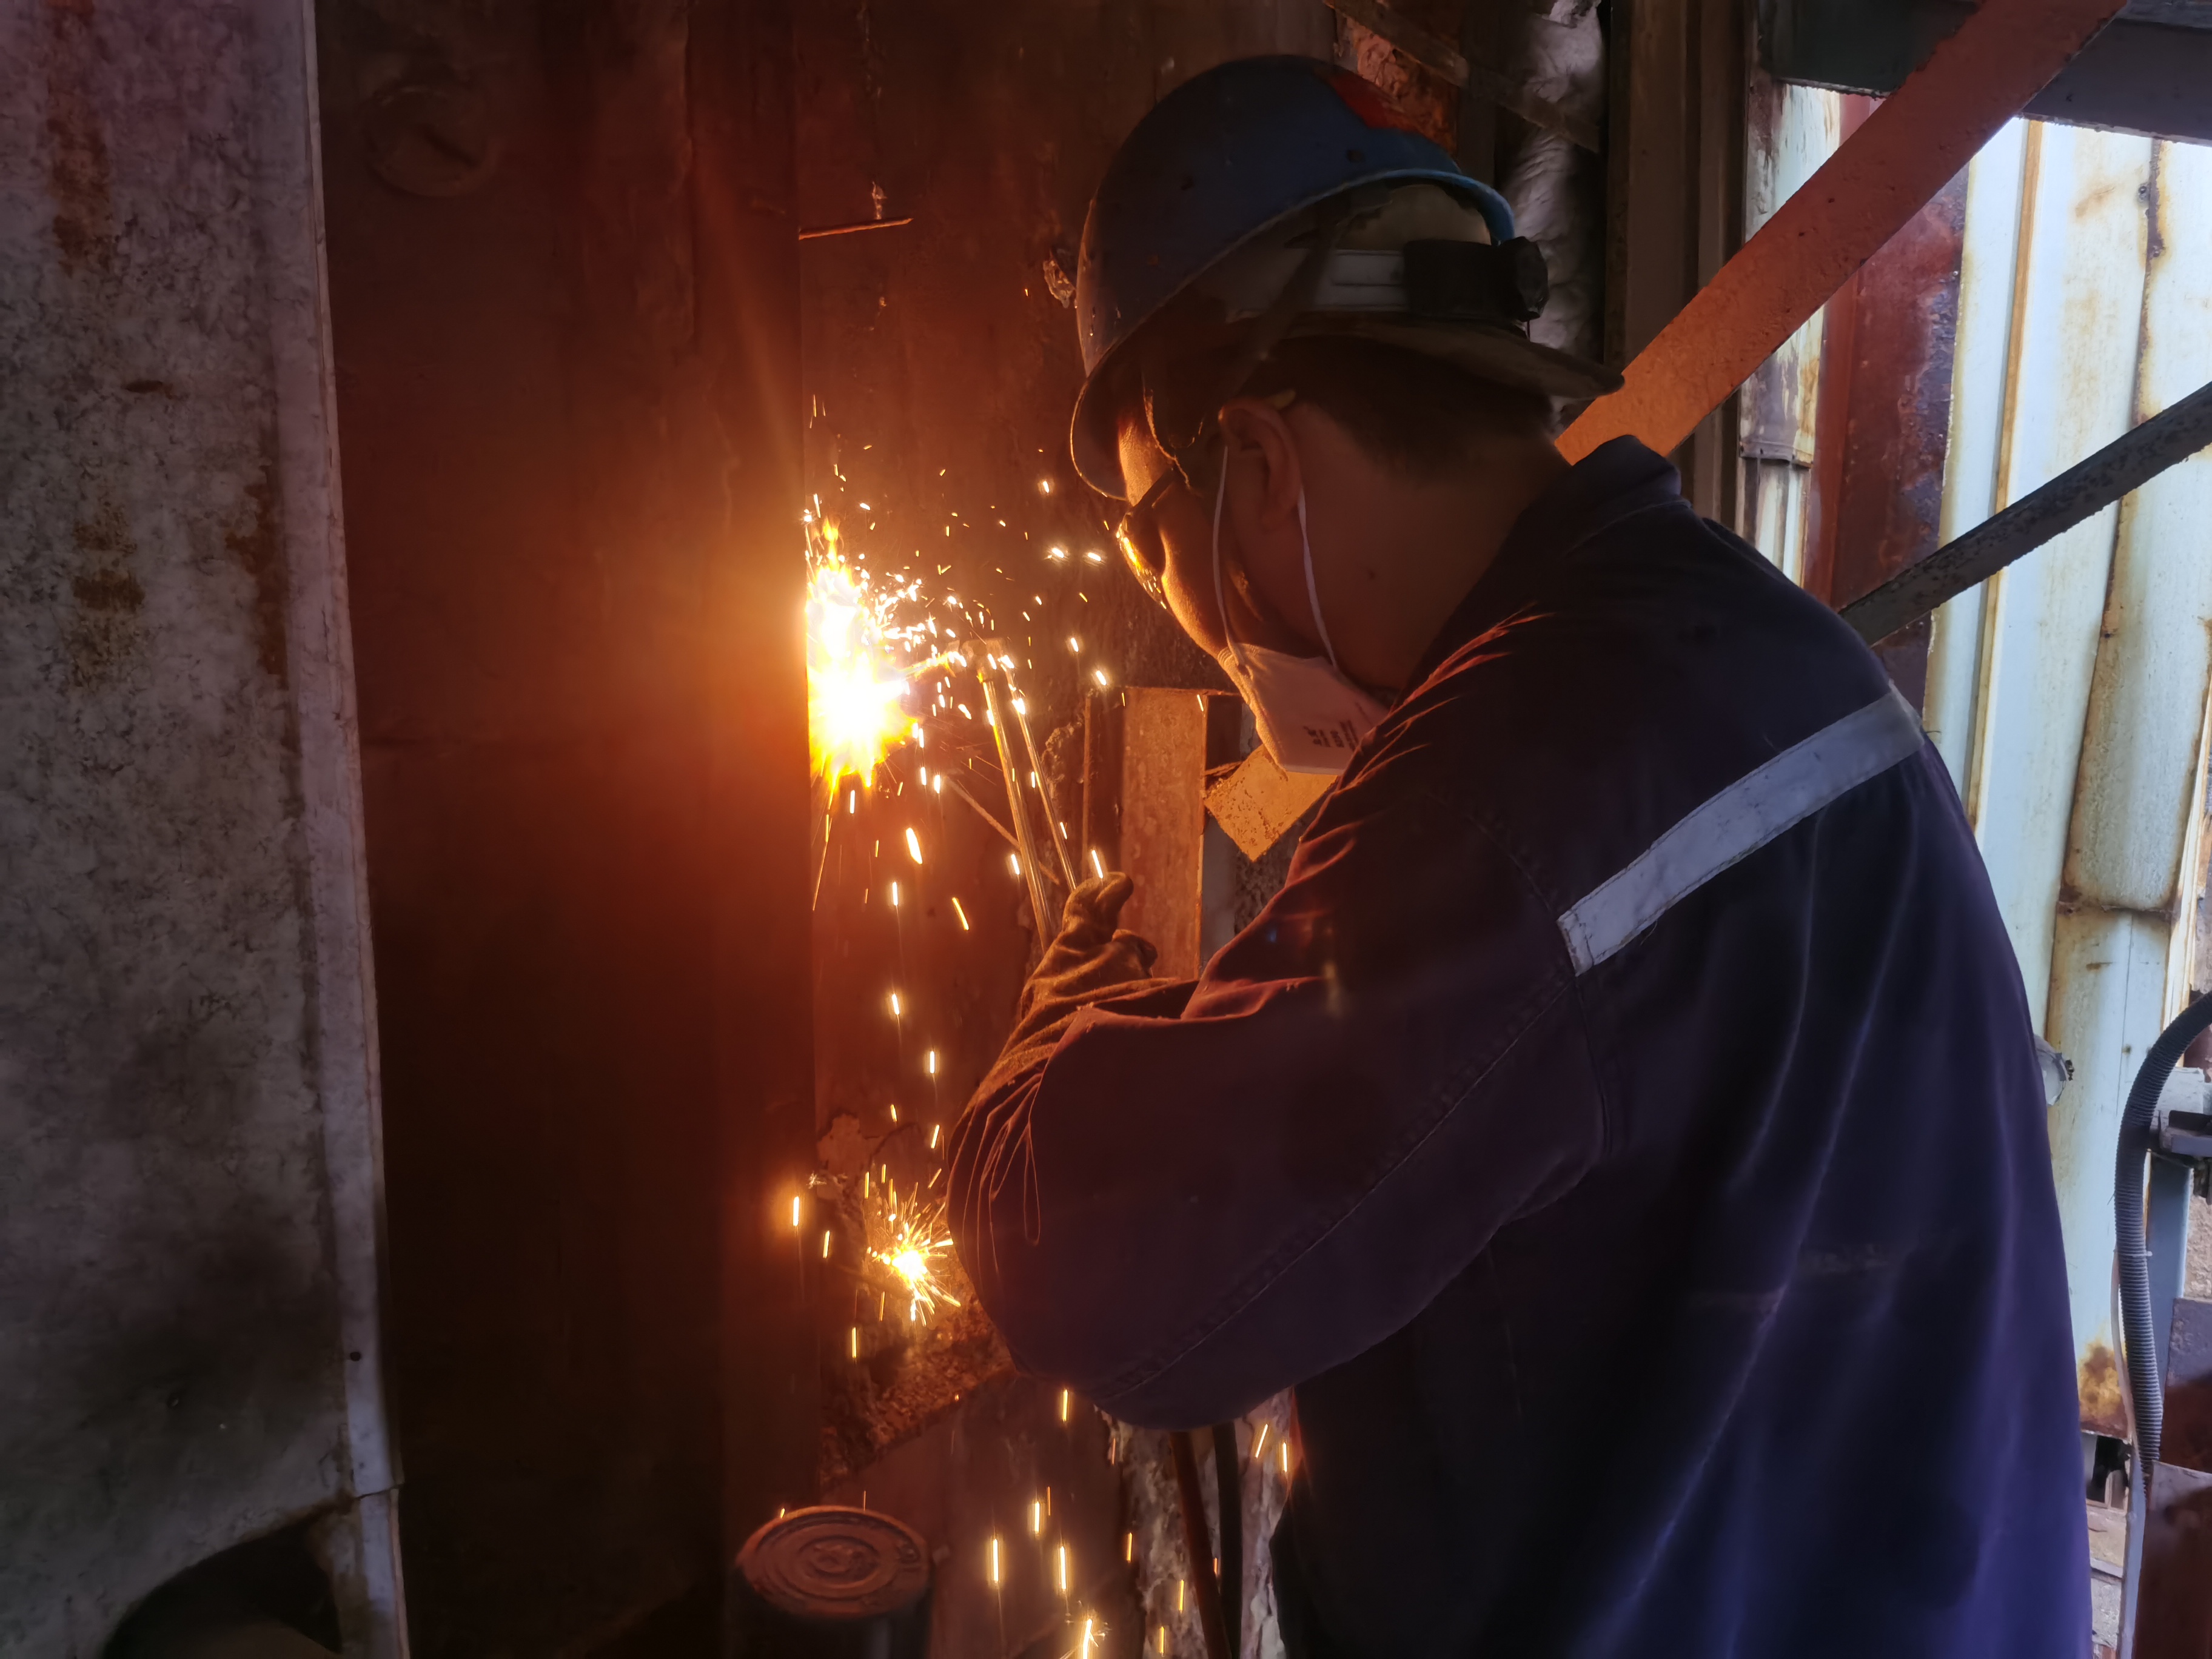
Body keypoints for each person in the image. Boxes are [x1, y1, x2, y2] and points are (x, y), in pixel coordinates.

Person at [948, 56, 2088, 1658]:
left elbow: (1107, 1277)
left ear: (1257, 467)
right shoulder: (1747, 646)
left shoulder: (1520, 791)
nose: (1181, 616)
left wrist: (1042, 1049)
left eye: (1153, 543)